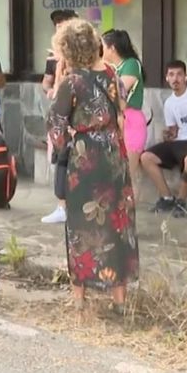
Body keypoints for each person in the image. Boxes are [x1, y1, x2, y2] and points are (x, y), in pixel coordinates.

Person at [48, 18, 139, 314]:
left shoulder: (72, 82)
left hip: (85, 159)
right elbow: (123, 110)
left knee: (81, 225)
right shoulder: (112, 75)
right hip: (113, 155)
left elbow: (56, 126)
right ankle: (120, 300)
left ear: (68, 49)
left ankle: (79, 298)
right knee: (117, 223)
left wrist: (68, 143)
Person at [140, 60, 187, 218]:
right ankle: (167, 197)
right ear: (166, 78)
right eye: (171, 75)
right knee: (146, 157)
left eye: (179, 74)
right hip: (179, 142)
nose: (175, 79)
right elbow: (174, 130)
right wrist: (169, 134)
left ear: (186, 76)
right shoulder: (169, 103)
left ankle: (181, 202)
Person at [41, 9, 78, 224]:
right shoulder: (53, 58)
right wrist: (51, 90)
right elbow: (47, 82)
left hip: (77, 117)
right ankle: (62, 206)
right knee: (60, 158)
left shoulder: (83, 57)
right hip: (60, 115)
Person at [102, 29, 146, 192]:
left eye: (103, 46)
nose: (101, 50)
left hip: (131, 121)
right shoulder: (115, 67)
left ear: (112, 48)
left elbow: (118, 91)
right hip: (117, 122)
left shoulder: (131, 64)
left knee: (127, 173)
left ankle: (128, 213)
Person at [42, 10, 77, 97]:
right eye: (57, 26)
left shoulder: (83, 52)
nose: (58, 30)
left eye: (62, 27)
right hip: (61, 104)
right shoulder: (53, 55)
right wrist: (50, 91)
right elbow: (47, 80)